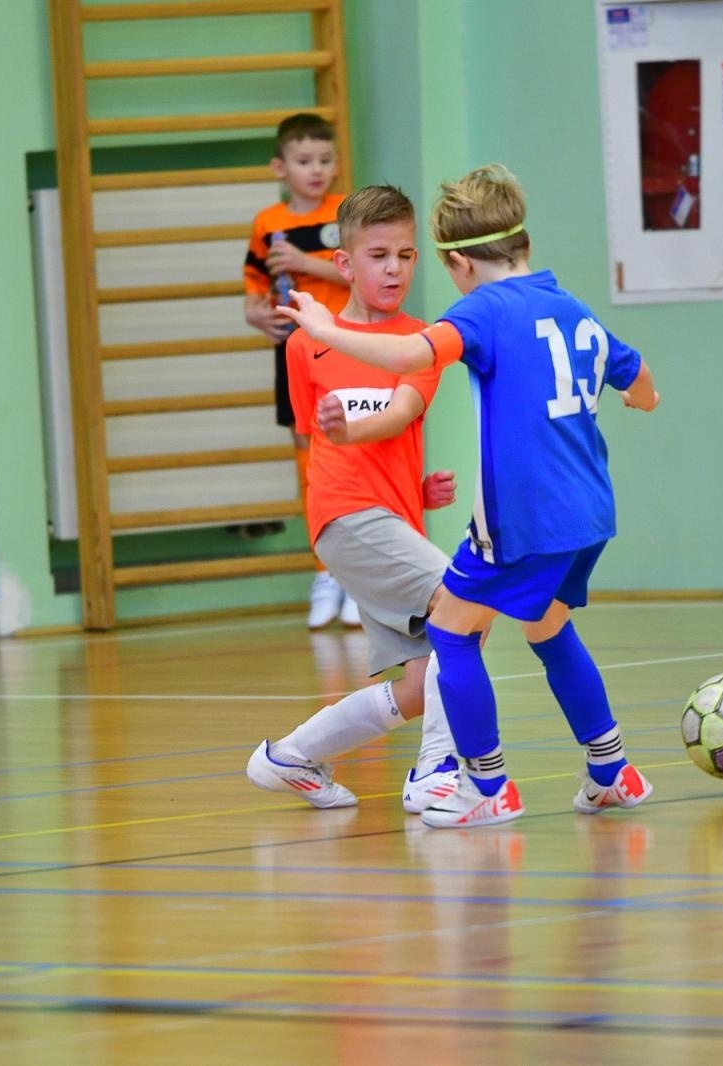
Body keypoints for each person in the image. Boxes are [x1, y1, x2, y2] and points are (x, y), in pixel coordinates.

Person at [280, 164, 661, 829]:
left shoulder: (480, 310)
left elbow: (407, 358)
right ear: (527, 247)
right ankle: (612, 773)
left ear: (457, 264)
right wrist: (637, 399)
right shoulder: (571, 308)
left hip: (523, 519)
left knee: (452, 630)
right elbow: (642, 382)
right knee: (548, 627)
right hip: (591, 515)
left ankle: (484, 788)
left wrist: (323, 326)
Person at [245, 184, 460, 812]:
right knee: (463, 603)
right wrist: (350, 443)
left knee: (421, 685)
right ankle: (435, 771)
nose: (393, 268)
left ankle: (288, 758)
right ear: (344, 262)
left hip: (393, 522)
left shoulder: (423, 341)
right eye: (377, 255)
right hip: (343, 518)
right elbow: (326, 445)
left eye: (405, 254)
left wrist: (413, 491)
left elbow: (396, 418)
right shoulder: (305, 344)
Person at [242, 113, 357, 629]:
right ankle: (325, 569)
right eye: (304, 161)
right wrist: (255, 311)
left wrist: (310, 265)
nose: (317, 170)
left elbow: (360, 269)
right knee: (310, 461)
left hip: (344, 348)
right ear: (279, 168)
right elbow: (254, 280)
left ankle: (359, 575)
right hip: (293, 353)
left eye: (325, 160)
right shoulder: (268, 222)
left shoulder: (346, 214)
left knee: (353, 455)